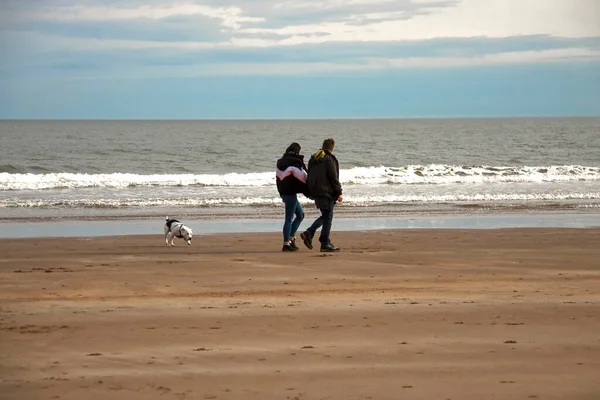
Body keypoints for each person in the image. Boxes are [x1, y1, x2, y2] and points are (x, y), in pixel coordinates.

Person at [300, 138, 342, 252]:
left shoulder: (314, 157)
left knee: (326, 215)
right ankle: (323, 241)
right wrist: (339, 192)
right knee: (327, 216)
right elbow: (333, 177)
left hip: (315, 191)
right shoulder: (329, 158)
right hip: (326, 191)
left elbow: (310, 174)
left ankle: (314, 235)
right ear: (332, 148)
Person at [276, 142, 309, 252]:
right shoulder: (294, 163)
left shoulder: (280, 162)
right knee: (289, 218)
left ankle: (290, 238)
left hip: (283, 192)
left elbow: (278, 178)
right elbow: (302, 177)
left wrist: (281, 193)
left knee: (300, 215)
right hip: (290, 194)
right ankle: (286, 244)